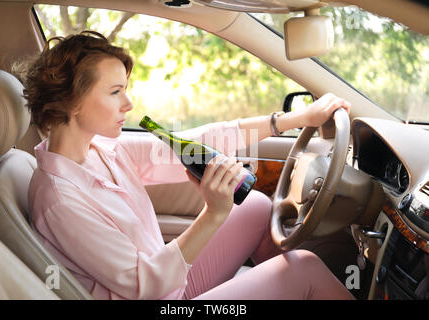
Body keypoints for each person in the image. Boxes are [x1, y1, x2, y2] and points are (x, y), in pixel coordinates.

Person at [18, 31, 354, 300]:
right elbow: (144, 287)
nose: (129, 102)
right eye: (115, 91)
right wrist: (214, 212)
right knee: (304, 269)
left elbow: (203, 139)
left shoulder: (101, 149)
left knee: (253, 204)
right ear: (72, 101)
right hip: (156, 294)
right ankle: (296, 285)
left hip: (170, 280)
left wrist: (295, 118)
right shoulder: (59, 200)